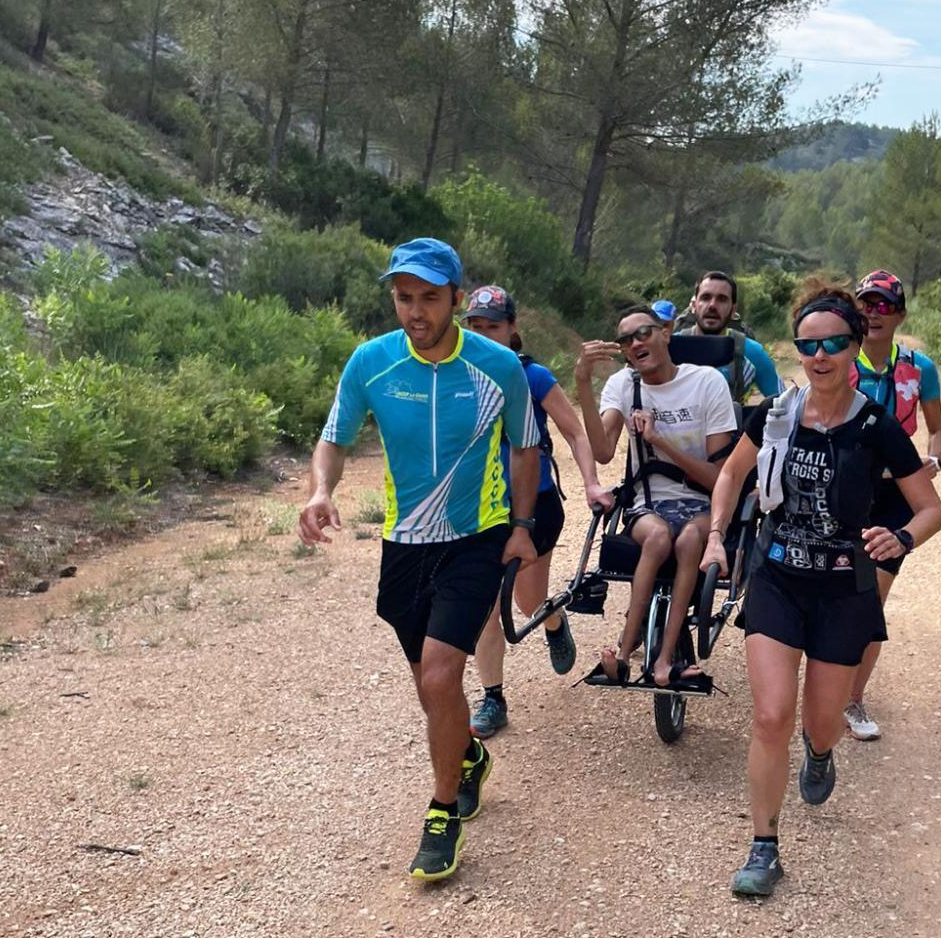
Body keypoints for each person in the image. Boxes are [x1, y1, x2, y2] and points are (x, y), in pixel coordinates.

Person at [296, 239, 541, 883]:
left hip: (475, 537)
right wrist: (322, 489)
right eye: (404, 297)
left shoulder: (498, 367)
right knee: (428, 683)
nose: (415, 310)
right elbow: (334, 438)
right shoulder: (371, 362)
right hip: (405, 543)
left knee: (439, 676)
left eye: (429, 297)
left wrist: (520, 526)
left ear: (456, 299)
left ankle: (441, 814)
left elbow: (524, 447)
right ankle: (466, 760)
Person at [701, 285, 941, 896]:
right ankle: (763, 847)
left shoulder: (877, 426)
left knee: (821, 721)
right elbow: (731, 474)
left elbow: (930, 510)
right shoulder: (777, 413)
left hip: (844, 591)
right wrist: (714, 538)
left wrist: (902, 539)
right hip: (779, 580)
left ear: (856, 346)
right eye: (808, 344)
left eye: (833, 343)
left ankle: (820, 750)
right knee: (769, 715)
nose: (819, 355)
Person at [460, 285, 614, 738]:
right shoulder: (456, 377)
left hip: (537, 505)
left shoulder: (533, 377)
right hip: (482, 509)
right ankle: (492, 699)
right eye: (476, 327)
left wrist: (589, 482)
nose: (484, 336)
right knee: (489, 607)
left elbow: (575, 433)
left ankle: (553, 618)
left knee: (527, 601)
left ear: (513, 331)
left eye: (493, 327)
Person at [574, 306, 735, 686]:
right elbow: (603, 450)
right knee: (659, 536)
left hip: (701, 502)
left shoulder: (706, 382)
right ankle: (625, 650)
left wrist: (658, 440)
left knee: (692, 537)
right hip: (650, 503)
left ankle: (664, 661)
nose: (635, 344)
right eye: (626, 340)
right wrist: (582, 383)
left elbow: (719, 477)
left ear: (665, 332)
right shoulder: (624, 386)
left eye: (643, 333)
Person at [842, 270, 941, 742]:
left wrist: (934, 459)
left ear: (900, 314)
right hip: (845, 490)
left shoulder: (919, 368)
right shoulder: (840, 360)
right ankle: (828, 678)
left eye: (885, 305)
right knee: (837, 589)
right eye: (866, 303)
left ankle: (852, 699)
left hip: (894, 494)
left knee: (873, 597)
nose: (874, 313)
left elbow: (937, 428)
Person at [676, 271, 782, 403]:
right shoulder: (671, 348)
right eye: (705, 297)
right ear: (693, 306)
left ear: (733, 310)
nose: (712, 305)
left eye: (722, 299)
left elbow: (785, 404)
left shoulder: (749, 352)